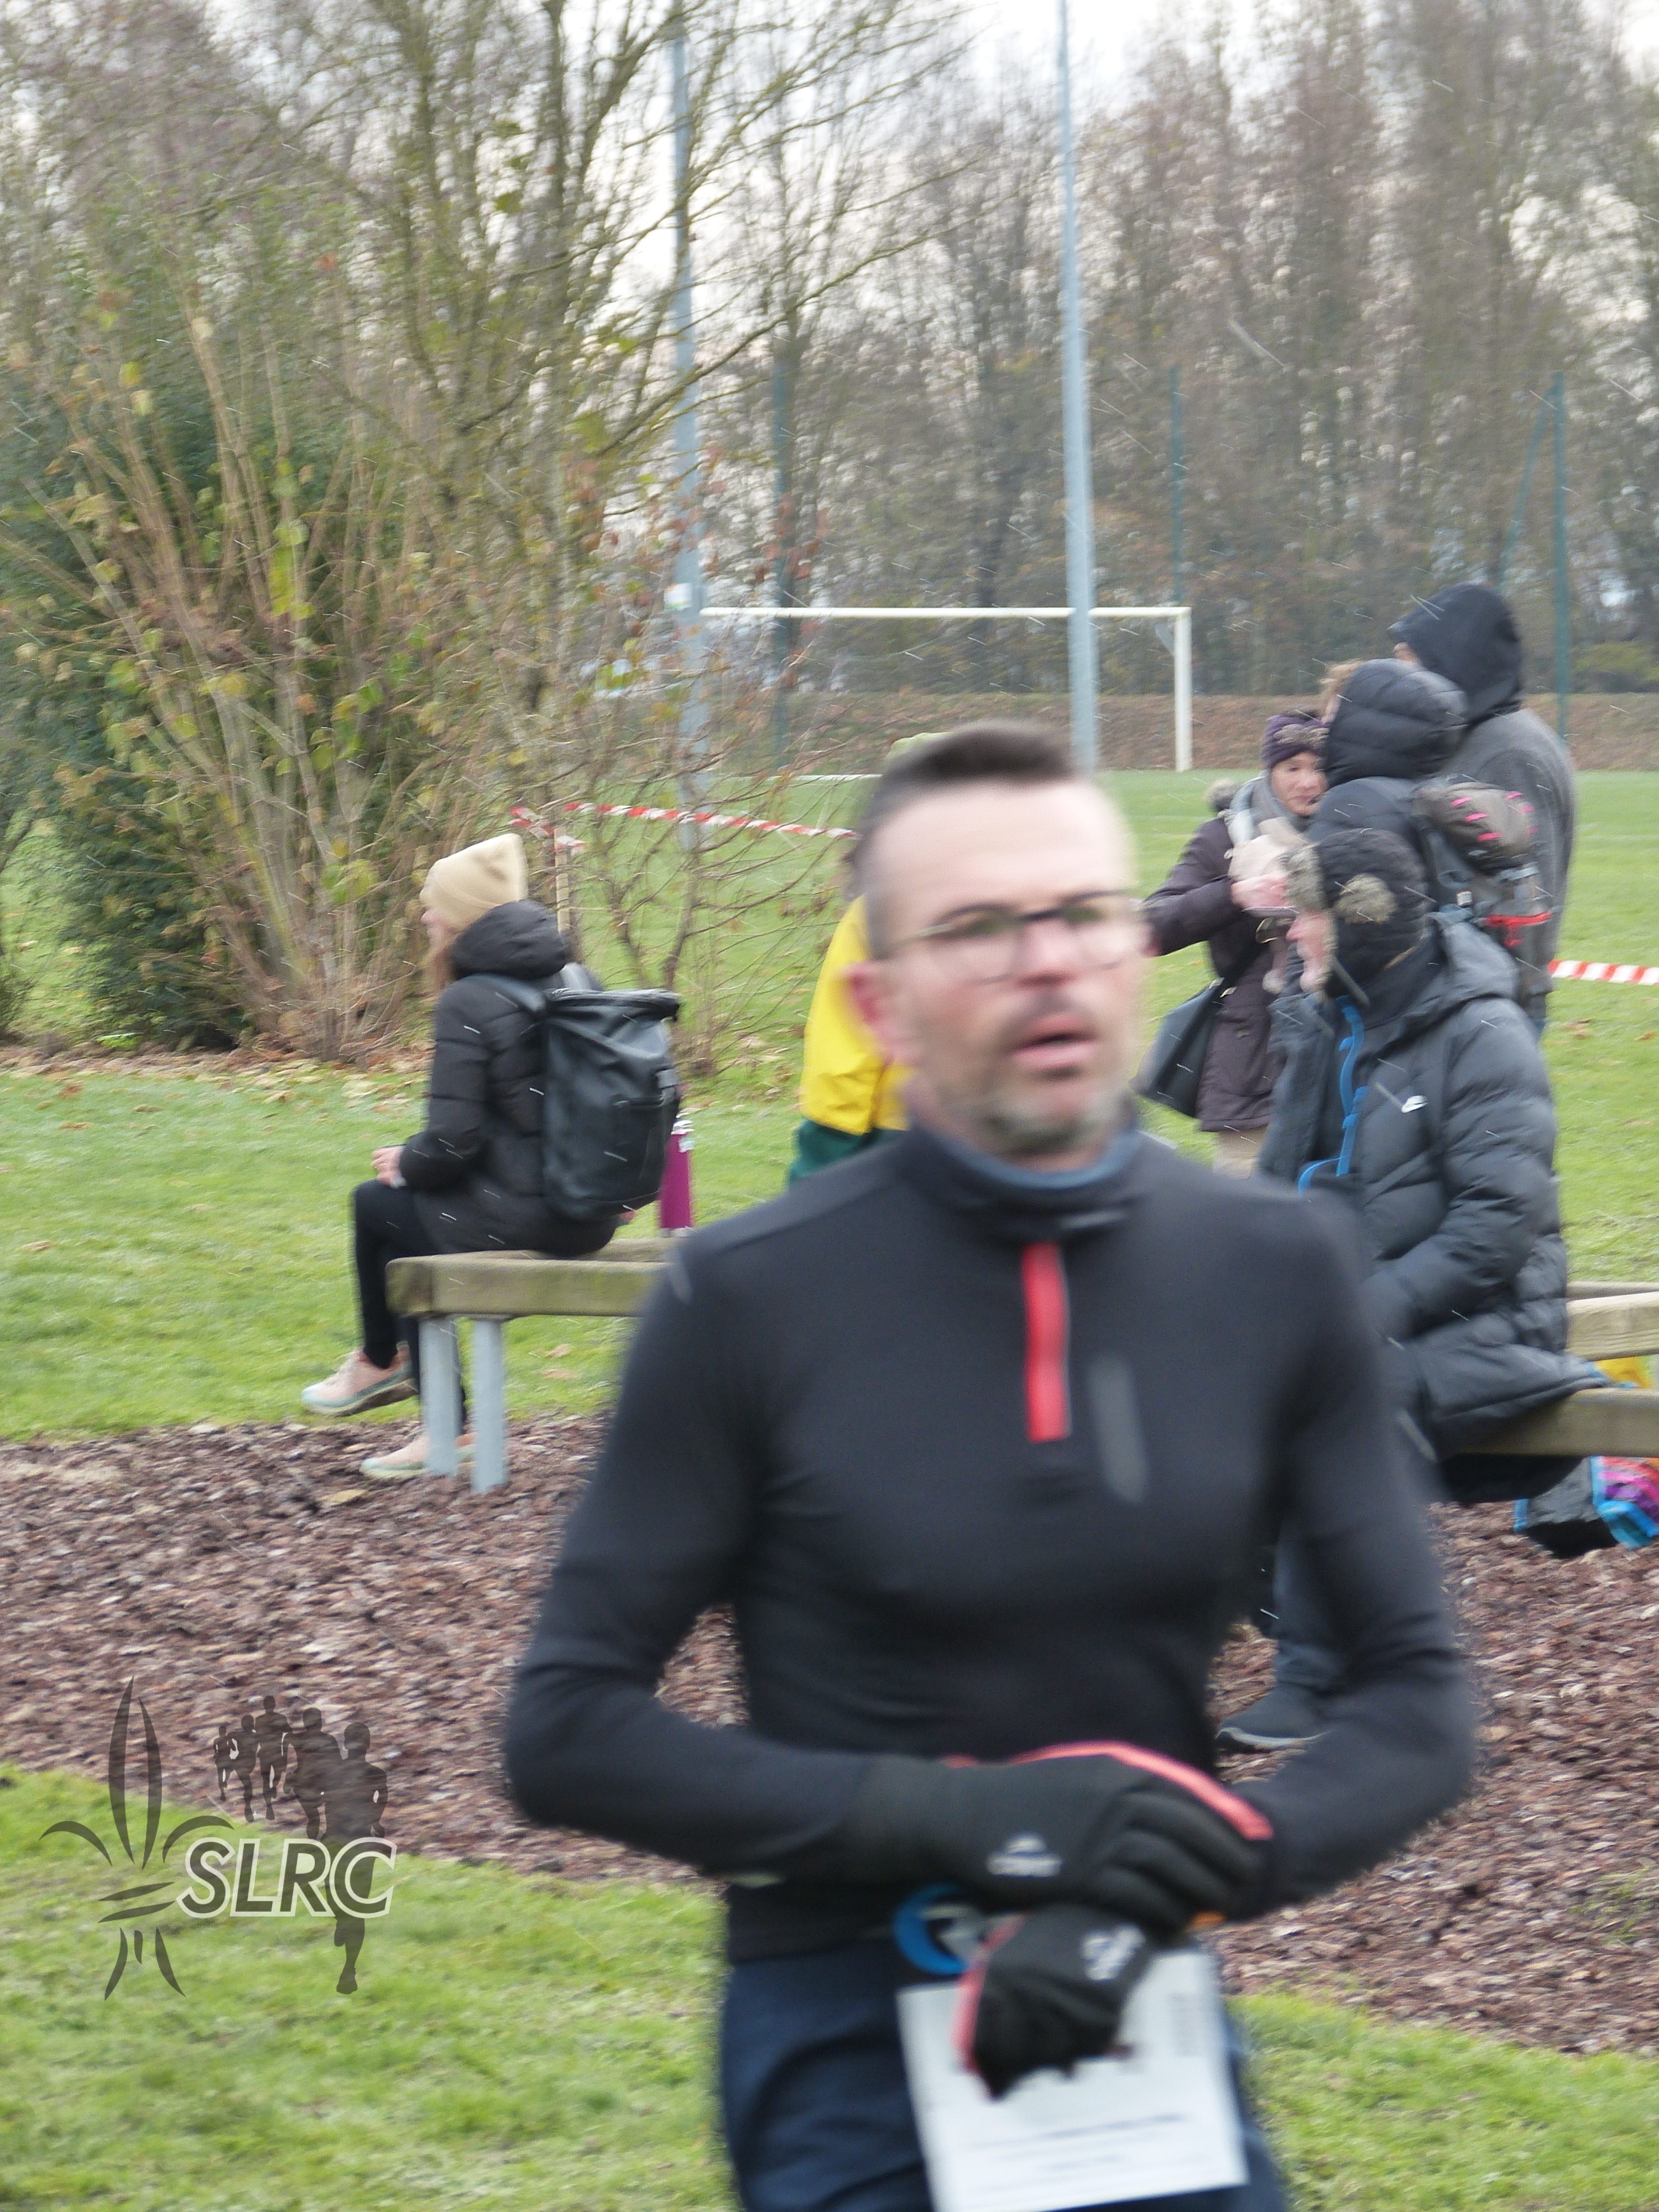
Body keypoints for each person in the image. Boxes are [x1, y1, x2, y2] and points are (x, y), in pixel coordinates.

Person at [505, 724, 1473, 2212]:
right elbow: (567, 1727)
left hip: (1134, 1993)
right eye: (978, 928)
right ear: (881, 1004)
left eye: (1083, 913)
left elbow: (1418, 1702)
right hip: (851, 2024)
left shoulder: (1280, 1270)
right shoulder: (744, 1300)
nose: (1046, 963)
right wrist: (988, 1824)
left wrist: (1189, 1872)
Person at [1218, 828, 1603, 1753]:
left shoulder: (1481, 1033)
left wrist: (1364, 1313)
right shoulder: (1327, 1020)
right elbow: (1277, 1189)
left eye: (1307, 917)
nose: (1292, 934)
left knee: (1337, 1400)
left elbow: (1497, 1227)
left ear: (1359, 925)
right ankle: (1276, 1624)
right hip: (1356, 1308)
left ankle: (1323, 1678)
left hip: (1487, 1318)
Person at [300, 832, 615, 1478]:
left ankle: (390, 1368)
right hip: (592, 1212)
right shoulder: (578, 978)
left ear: (464, 918)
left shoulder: (468, 1001)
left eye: (435, 905)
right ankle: (418, 1395)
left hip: (535, 1217)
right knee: (404, 1215)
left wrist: (407, 1163)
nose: (425, 917)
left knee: (377, 1204)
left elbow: (452, 1142)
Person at [1141, 712, 1326, 1175]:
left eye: (1320, 766)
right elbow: (1152, 927)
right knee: (1249, 1196)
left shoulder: (1352, 830)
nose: (1308, 782)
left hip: (1335, 1048)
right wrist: (1235, 894)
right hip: (1253, 1060)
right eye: (1293, 767)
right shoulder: (1223, 837)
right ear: (1269, 770)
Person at [1390, 583, 1575, 1028]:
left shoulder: (1509, 752)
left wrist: (1488, 1006)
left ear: (1453, 661)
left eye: (1411, 661)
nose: (1402, 677)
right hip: (1468, 992)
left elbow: (1526, 902)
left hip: (1489, 1004)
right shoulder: (1476, 736)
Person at [253, 1693, 290, 1819]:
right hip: (271, 1753)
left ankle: (272, 1790)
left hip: (271, 1752)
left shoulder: (263, 1720)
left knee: (271, 1778)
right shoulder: (273, 1719)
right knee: (269, 1778)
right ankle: (269, 1807)